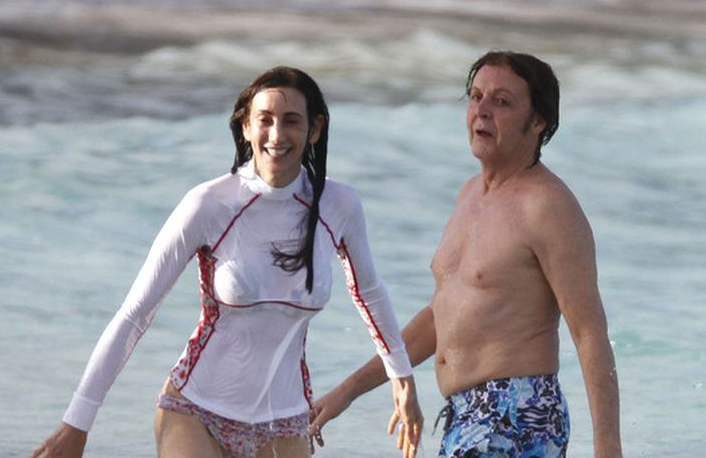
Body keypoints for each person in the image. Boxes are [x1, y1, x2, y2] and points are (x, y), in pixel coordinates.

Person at [31, 66, 423, 458]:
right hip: (196, 410)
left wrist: (402, 378)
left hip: (285, 421)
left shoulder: (339, 206)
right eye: (264, 120)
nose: (276, 135)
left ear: (314, 129)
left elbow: (369, 294)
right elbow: (135, 314)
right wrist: (77, 422)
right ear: (246, 127)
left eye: (291, 121)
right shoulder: (211, 204)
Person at [308, 51, 623, 457]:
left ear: (538, 122)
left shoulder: (548, 207)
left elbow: (589, 331)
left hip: (517, 413)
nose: (482, 111)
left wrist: (608, 447)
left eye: (502, 101)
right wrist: (349, 390)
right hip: (466, 415)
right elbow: (441, 316)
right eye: (476, 97)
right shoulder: (471, 195)